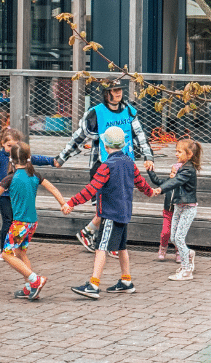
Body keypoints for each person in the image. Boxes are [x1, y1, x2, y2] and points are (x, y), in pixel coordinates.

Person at [54, 78, 154, 256]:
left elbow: (140, 135)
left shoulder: (129, 111)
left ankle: (90, 233)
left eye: (119, 90)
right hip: (104, 165)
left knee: (116, 204)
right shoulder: (96, 114)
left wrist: (148, 156)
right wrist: (62, 157)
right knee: (109, 207)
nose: (118, 93)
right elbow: (79, 138)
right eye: (113, 91)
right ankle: (107, 243)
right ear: (105, 93)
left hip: (125, 165)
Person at [62, 127, 154, 299]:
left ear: (105, 146)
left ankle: (93, 285)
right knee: (121, 247)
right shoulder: (130, 163)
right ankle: (126, 281)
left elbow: (91, 189)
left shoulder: (106, 166)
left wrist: (72, 202)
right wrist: (151, 192)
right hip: (125, 212)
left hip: (110, 214)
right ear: (124, 143)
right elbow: (141, 183)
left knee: (101, 248)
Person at [0, 142, 66, 301]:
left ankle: (35, 280)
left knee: (7, 253)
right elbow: (53, 189)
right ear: (28, 157)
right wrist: (63, 204)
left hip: (19, 224)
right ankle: (30, 288)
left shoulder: (10, 178)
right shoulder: (35, 175)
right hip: (32, 223)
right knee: (20, 253)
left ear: (11, 159)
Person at [0, 127, 56, 261]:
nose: (11, 149)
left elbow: (37, 159)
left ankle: (10, 245)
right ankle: (3, 249)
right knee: (8, 221)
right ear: (2, 143)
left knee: (16, 221)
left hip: (17, 196)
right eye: (9, 146)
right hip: (3, 195)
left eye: (14, 146)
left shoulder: (20, 157)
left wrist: (52, 161)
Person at [152, 139, 202, 281]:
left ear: (189, 154)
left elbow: (176, 181)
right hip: (179, 206)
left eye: (179, 152)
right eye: (176, 151)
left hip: (188, 208)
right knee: (174, 237)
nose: (176, 154)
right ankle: (188, 254)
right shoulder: (182, 166)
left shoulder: (188, 169)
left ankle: (186, 271)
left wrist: (160, 189)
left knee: (179, 238)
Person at [148, 163, 182, 262]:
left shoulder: (182, 186)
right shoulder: (168, 182)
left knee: (176, 234)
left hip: (178, 212)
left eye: (174, 173)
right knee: (165, 232)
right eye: (171, 172)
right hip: (168, 212)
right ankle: (163, 248)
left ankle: (179, 251)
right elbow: (156, 181)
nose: (171, 174)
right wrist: (150, 171)